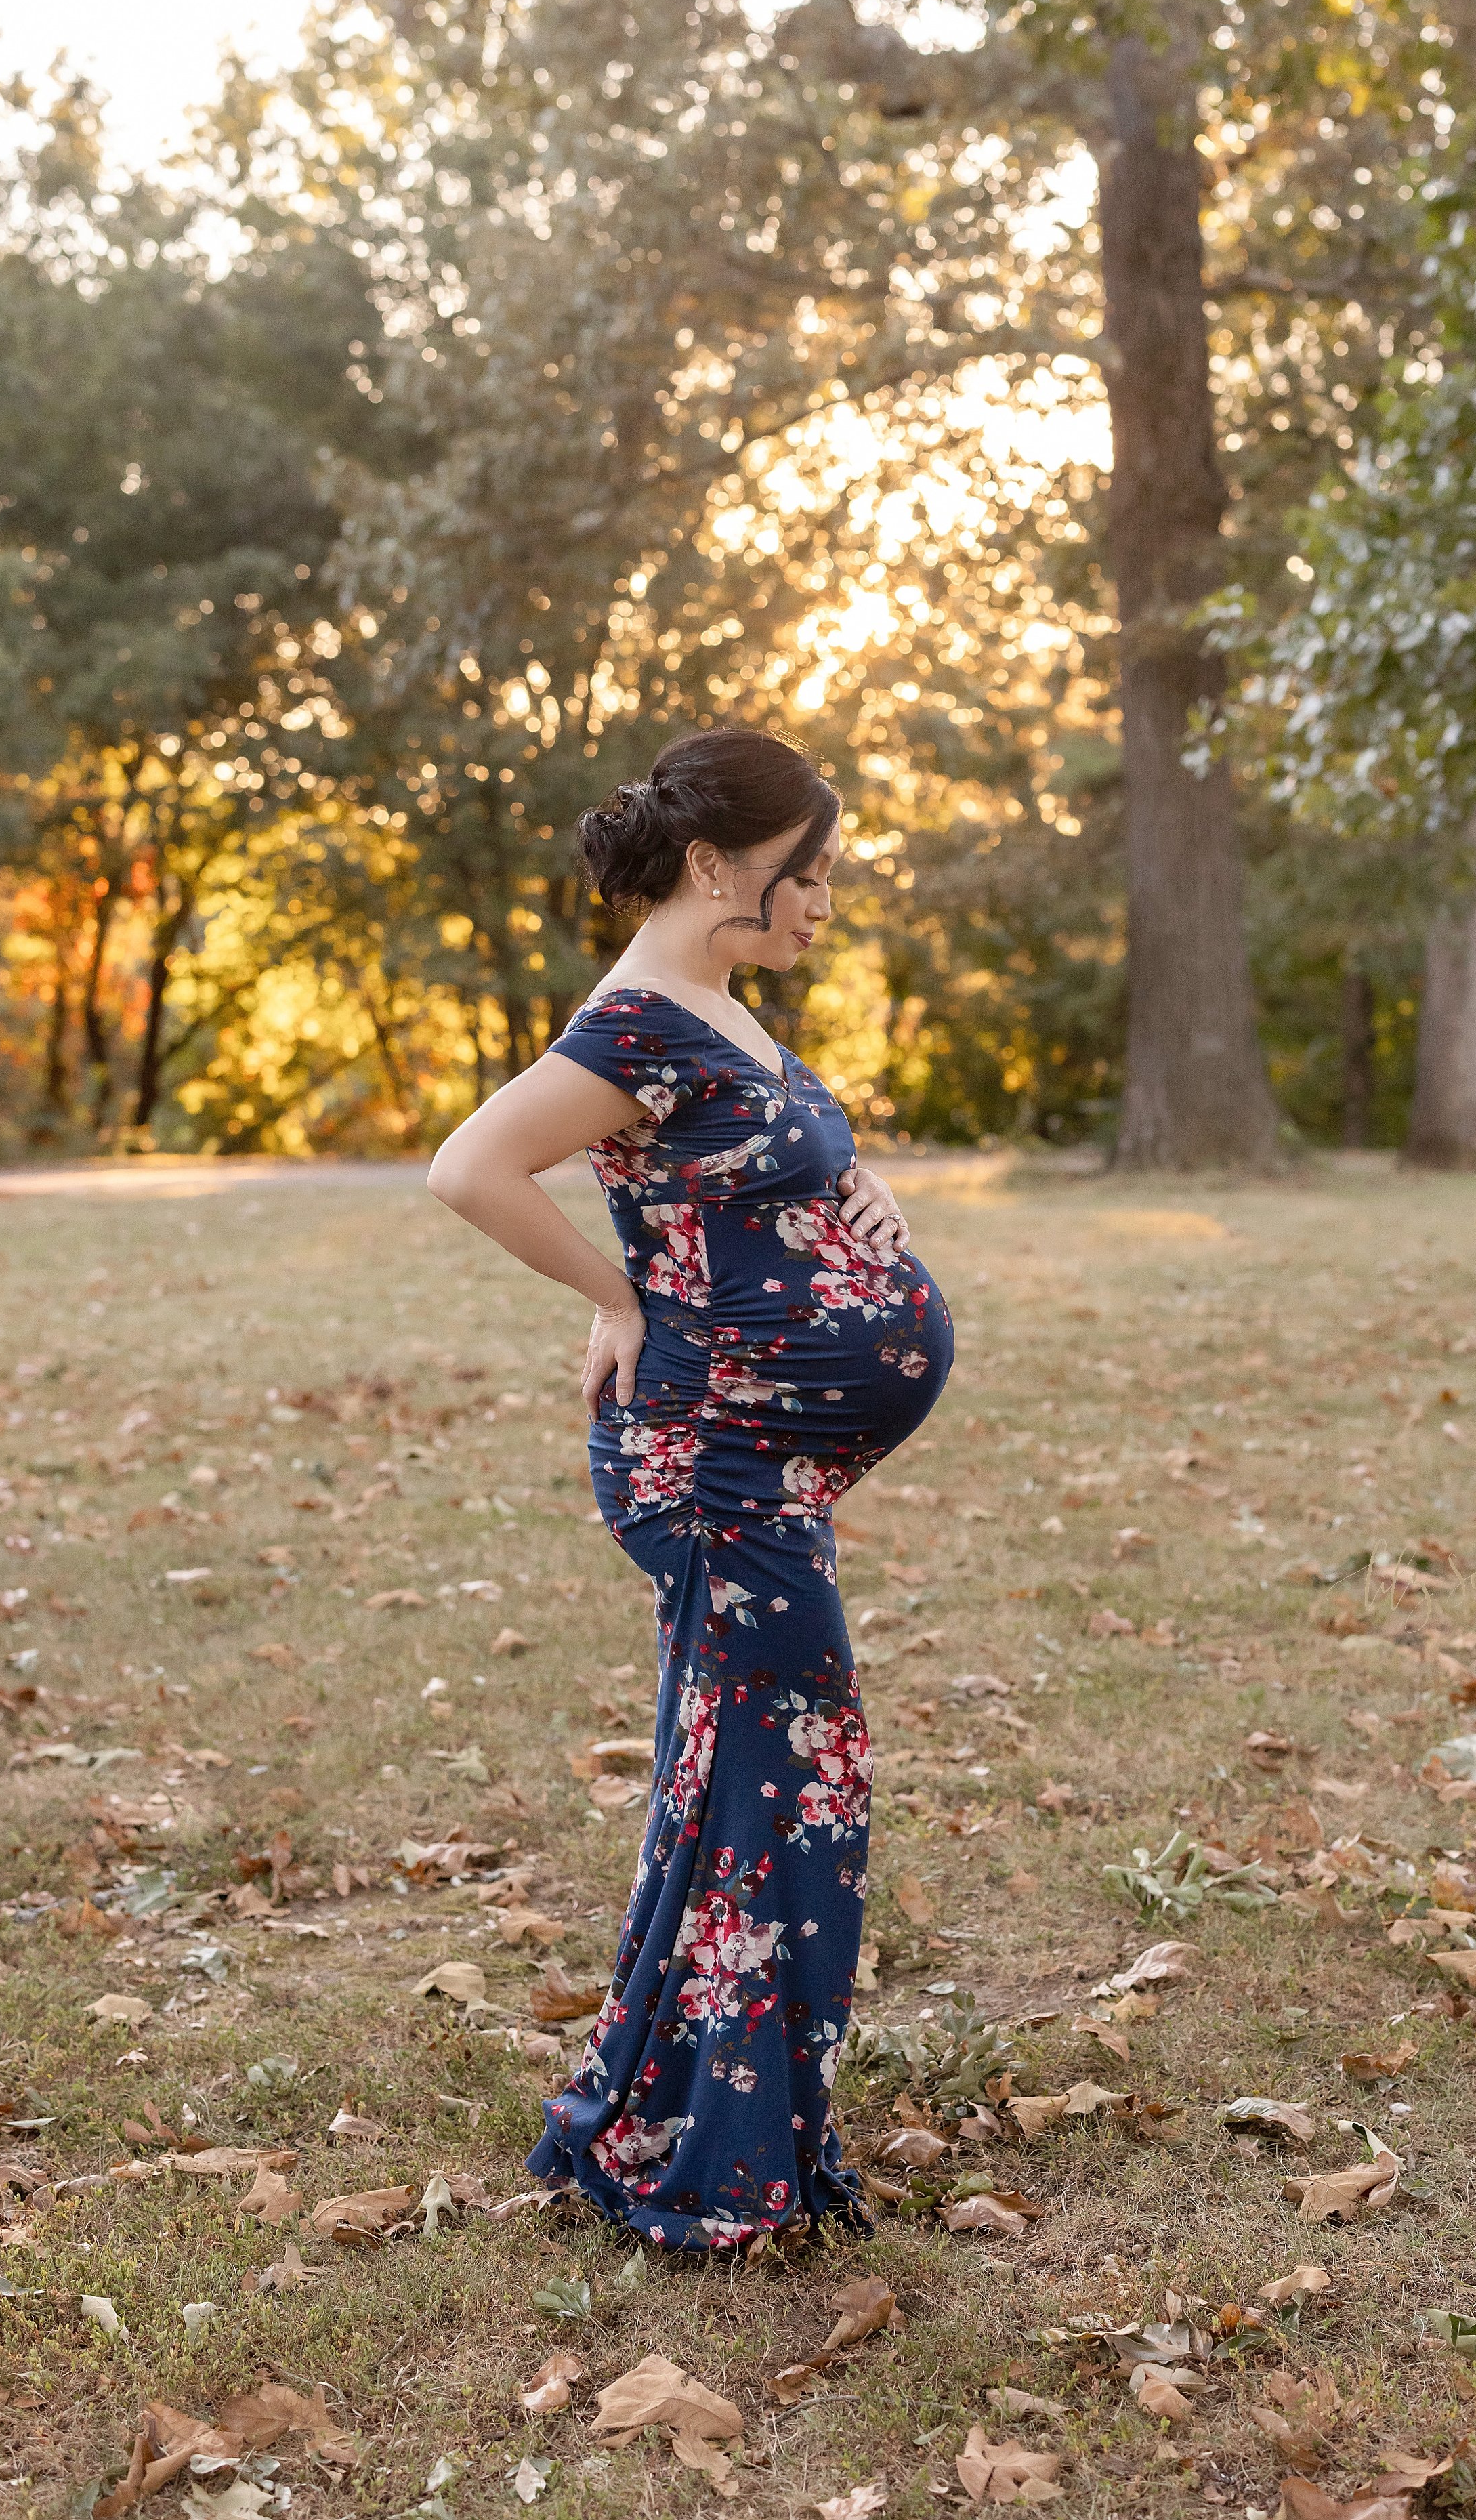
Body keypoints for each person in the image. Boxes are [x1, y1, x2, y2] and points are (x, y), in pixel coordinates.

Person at [427, 726, 953, 2251]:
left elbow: (754, 1175)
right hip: (708, 1462)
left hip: (756, 1453)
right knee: (787, 1786)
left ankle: (672, 2120)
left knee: (732, 1785)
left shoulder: (711, 1005)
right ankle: (714, 2161)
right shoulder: (636, 1023)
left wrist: (864, 1196)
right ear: (723, 863)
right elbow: (471, 1167)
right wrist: (617, 1300)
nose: (828, 902)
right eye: (813, 874)